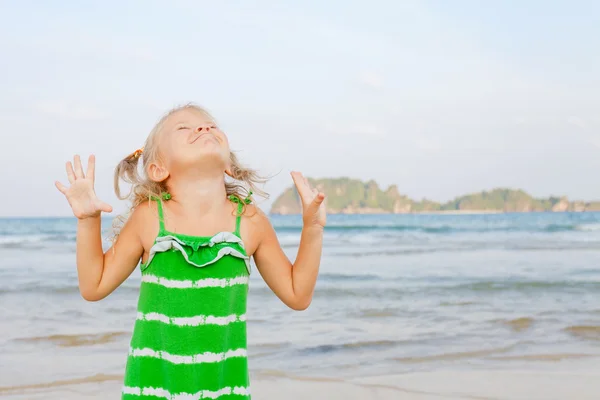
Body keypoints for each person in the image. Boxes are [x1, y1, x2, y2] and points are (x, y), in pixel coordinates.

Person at [54, 103, 326, 399]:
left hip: (226, 391)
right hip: (153, 391)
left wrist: (312, 228)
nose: (203, 128)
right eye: (185, 128)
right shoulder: (148, 218)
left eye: (210, 125)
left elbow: (298, 295)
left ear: (229, 166)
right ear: (158, 168)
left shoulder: (249, 221)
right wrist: (88, 220)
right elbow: (93, 286)